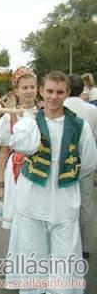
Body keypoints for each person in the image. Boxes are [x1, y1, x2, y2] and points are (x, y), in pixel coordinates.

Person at [6, 71, 97, 294]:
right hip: (33, 197)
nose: (54, 97)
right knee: (32, 249)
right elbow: (22, 146)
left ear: (67, 93)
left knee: (64, 253)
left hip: (64, 200)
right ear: (41, 91)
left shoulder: (80, 126)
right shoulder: (30, 121)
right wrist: (26, 119)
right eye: (49, 91)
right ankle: (33, 290)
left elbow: (87, 164)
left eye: (59, 92)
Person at [0, 67, 38, 229]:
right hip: (16, 168)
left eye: (32, 87)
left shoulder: (43, 113)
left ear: (37, 88)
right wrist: (0, 184)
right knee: (18, 222)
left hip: (41, 168)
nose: (29, 91)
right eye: (24, 87)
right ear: (16, 91)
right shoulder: (10, 116)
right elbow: (4, 151)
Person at [64, 74, 97, 259]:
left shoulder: (61, 107)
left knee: (64, 201)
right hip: (86, 158)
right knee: (85, 204)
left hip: (64, 161)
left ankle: (66, 242)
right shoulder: (91, 110)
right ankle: (83, 245)